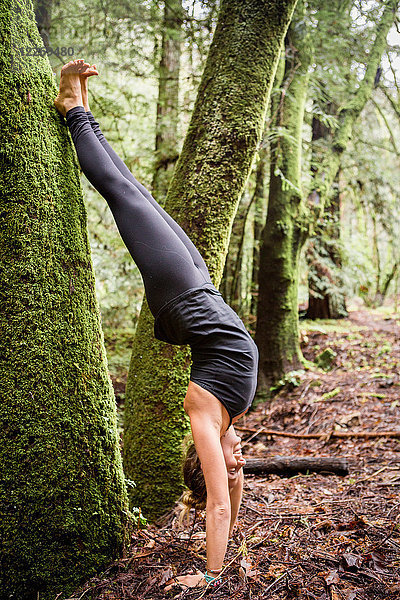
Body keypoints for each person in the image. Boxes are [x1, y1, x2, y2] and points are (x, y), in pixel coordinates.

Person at [54, 59, 259, 589]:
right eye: (238, 467)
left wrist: (210, 578)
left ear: (206, 458)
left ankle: (73, 108)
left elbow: (218, 503)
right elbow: (232, 498)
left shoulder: (207, 424)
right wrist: (234, 481)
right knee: (140, 194)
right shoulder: (229, 423)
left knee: (123, 199)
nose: (239, 466)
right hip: (199, 288)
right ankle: (83, 112)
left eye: (230, 466)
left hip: (180, 295)